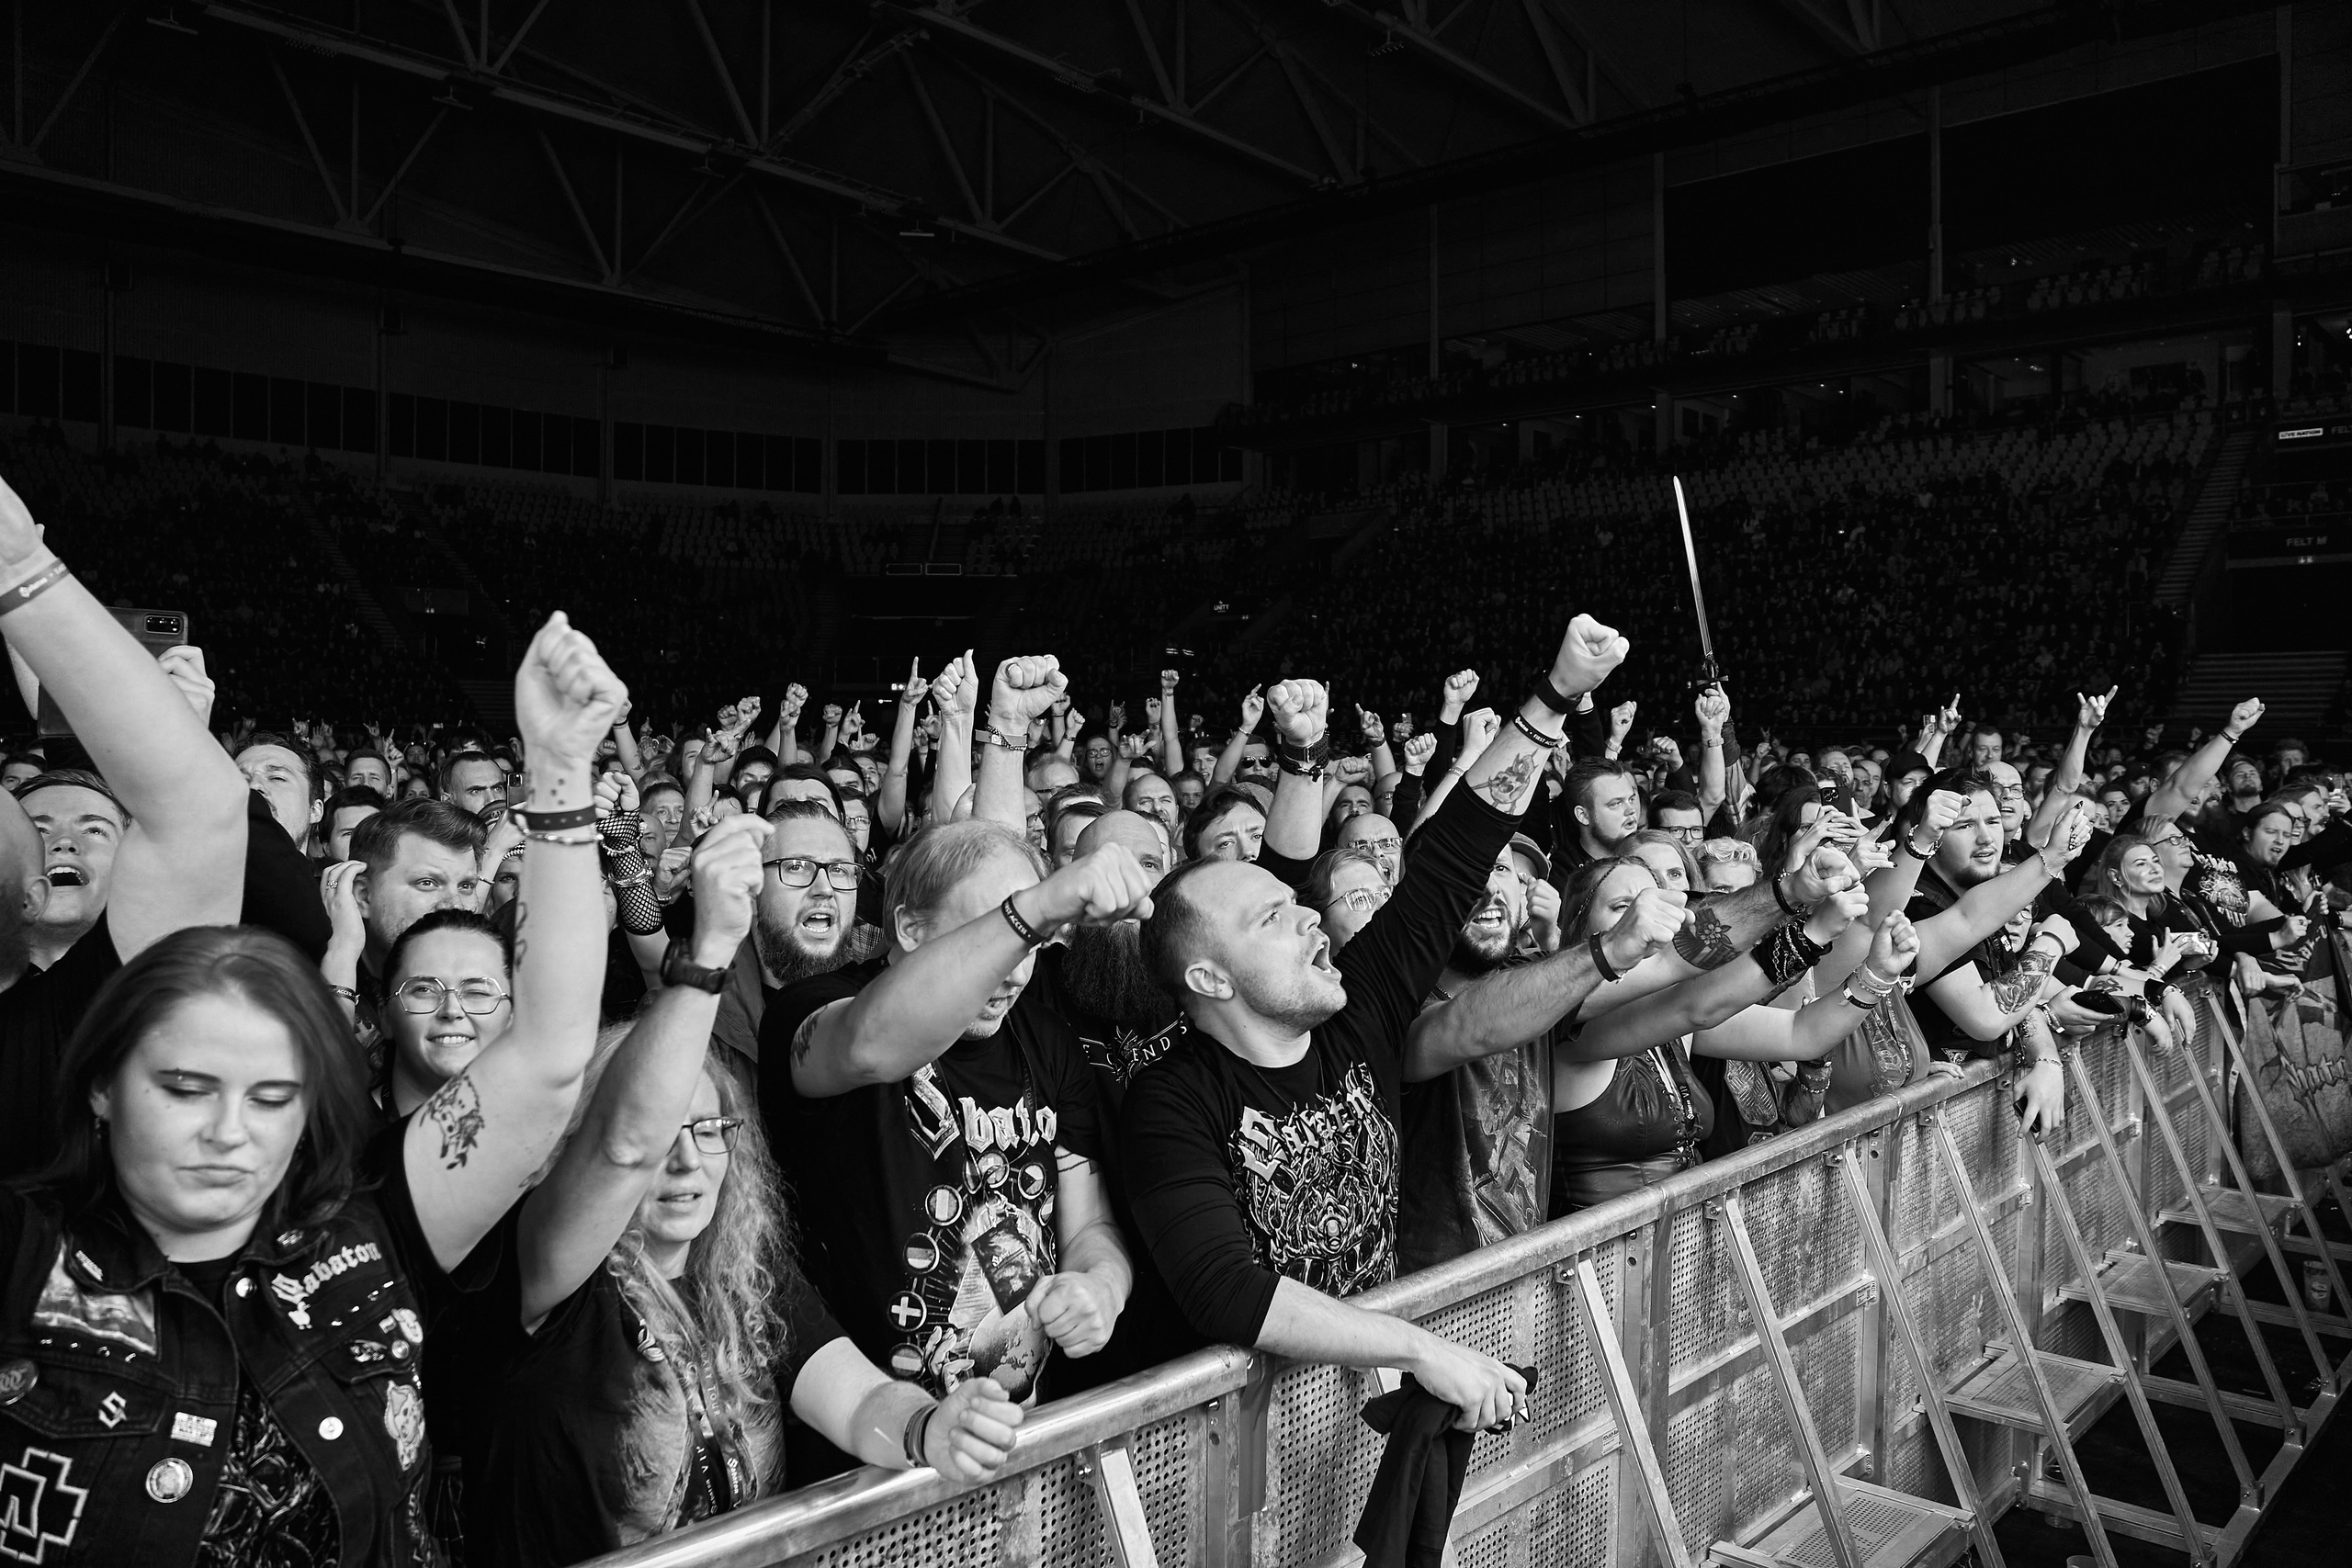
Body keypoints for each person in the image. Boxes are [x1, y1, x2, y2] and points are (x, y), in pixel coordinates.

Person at [0, 609, 628, 1566]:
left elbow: (546, 1051)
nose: (228, 1132)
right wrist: (20, 575)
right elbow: (194, 805)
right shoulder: (22, 1260)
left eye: (269, 1098)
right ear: (100, 1089)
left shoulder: (363, 1229)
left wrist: (558, 771)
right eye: (183, 1086)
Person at [1117, 615, 1629, 1430]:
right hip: (1231, 1441)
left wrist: (1557, 692)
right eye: (1271, 921)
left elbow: (1455, 854)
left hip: (1361, 1407)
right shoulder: (1168, 1101)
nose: (1312, 923)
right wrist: (1416, 1347)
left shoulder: (1359, 1013)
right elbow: (1224, 1288)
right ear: (1209, 976)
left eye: (1298, 905)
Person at [469, 818, 1026, 1564]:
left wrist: (931, 1427)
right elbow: (622, 1141)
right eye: (664, 1136)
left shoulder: (747, 1271)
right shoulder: (551, 1275)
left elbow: (859, 1400)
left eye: (710, 1132)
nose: (687, 1161)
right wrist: (707, 951)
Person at [758, 803, 1146, 1411]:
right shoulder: (814, 1008)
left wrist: (1101, 1286)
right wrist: (1036, 907)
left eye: (1034, 945)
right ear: (911, 929)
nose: (1016, 970)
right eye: (998, 933)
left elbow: (1091, 1225)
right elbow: (868, 1046)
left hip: (1024, 1430)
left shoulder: (1045, 1039)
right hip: (877, 1449)